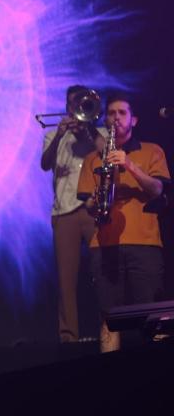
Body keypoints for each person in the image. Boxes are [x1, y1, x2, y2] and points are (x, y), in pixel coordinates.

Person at [77, 93, 169, 352]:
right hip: (104, 244)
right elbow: (86, 203)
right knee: (108, 316)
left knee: (153, 317)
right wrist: (95, 203)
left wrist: (128, 164)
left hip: (145, 243)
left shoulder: (152, 151)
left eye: (122, 113)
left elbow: (158, 190)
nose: (116, 118)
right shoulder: (93, 158)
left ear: (134, 120)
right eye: (111, 113)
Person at [40, 86, 106, 342]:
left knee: (102, 275)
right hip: (64, 211)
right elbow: (45, 164)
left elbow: (106, 155)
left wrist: (87, 130)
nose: (76, 109)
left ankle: (108, 332)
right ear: (67, 107)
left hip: (93, 209)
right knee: (66, 280)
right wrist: (59, 134)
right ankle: (69, 337)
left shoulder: (99, 133)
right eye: (73, 104)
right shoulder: (54, 135)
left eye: (82, 104)